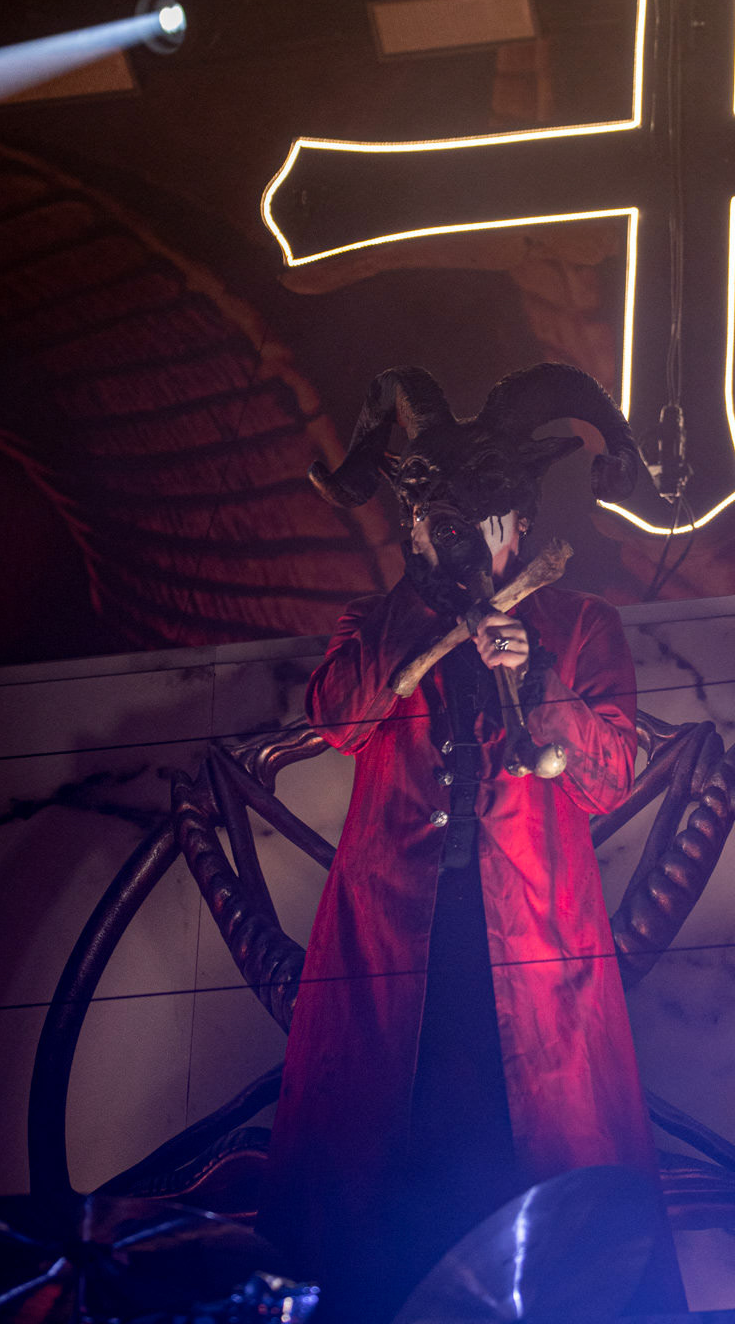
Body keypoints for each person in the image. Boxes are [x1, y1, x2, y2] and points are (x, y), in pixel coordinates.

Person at [258, 364, 676, 1317]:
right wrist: (426, 613)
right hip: (393, 949)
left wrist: (540, 682)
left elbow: (609, 775)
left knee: (526, 1152)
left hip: (530, 951)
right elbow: (339, 720)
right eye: (436, 522)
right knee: (388, 1170)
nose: (461, 542)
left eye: (480, 523)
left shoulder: (578, 625)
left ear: (520, 527)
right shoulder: (378, 622)